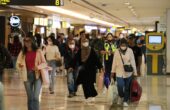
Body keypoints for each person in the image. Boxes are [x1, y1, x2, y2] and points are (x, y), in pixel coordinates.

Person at [16, 36, 47, 110]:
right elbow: (17, 63)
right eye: (25, 41)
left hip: (37, 75)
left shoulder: (38, 51)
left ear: (32, 41)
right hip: (27, 75)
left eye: (28, 41)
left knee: (36, 97)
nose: (27, 43)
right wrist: (20, 65)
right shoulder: (22, 52)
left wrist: (38, 67)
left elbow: (44, 63)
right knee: (30, 97)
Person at [72, 37, 104, 103]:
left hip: (91, 70)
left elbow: (96, 59)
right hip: (83, 70)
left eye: (86, 42)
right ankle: (87, 96)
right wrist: (71, 66)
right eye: (84, 42)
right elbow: (75, 59)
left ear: (88, 42)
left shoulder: (92, 50)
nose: (85, 43)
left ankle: (92, 95)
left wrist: (100, 67)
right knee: (84, 84)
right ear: (82, 43)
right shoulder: (80, 51)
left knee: (90, 83)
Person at [111, 38, 137, 107]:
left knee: (127, 87)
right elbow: (114, 62)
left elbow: (133, 61)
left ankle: (125, 100)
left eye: (124, 44)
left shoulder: (130, 51)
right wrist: (112, 71)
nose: (123, 46)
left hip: (128, 73)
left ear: (126, 45)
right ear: (119, 45)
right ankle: (121, 96)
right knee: (120, 85)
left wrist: (135, 72)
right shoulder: (116, 51)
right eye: (122, 45)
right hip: (119, 72)